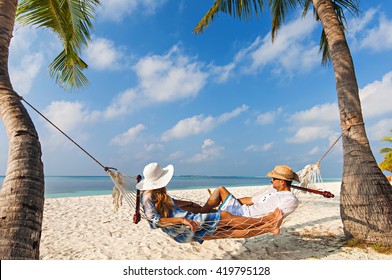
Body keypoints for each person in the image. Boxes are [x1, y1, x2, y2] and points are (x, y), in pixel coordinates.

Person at [136, 162, 284, 244]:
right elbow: (155, 221)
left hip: (182, 231)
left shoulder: (155, 193)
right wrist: (182, 219)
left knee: (228, 232)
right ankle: (268, 220)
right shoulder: (148, 196)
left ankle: (269, 228)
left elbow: (170, 202)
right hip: (184, 225)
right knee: (225, 216)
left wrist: (189, 203)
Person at [197, 165, 299, 218]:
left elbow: (274, 217)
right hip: (240, 209)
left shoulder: (289, 199)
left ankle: (200, 213)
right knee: (221, 189)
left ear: (282, 182)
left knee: (210, 211)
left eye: (273, 178)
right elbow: (250, 200)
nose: (271, 180)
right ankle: (202, 211)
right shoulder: (272, 191)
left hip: (243, 217)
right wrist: (227, 203)